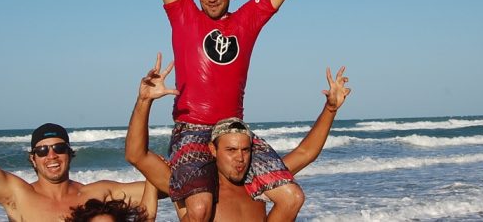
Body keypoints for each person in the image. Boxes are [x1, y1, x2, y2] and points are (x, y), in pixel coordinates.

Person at [147, 0, 365, 221]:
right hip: (191, 129)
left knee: (292, 196)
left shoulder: (247, 20)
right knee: (200, 207)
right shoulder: (183, 14)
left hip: (234, 130)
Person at [125, 53, 351, 221]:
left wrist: (330, 109)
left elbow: (306, 153)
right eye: (231, 150)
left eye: (245, 150)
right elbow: (137, 155)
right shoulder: (190, 184)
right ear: (213, 151)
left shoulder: (260, 184)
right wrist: (144, 101)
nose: (240, 158)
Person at [0, 68, 157, 221]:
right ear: (33, 158)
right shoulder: (18, 195)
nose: (51, 155)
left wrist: (144, 101)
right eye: (42, 151)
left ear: (69, 153)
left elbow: (166, 185)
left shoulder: (97, 194)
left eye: (59, 148)